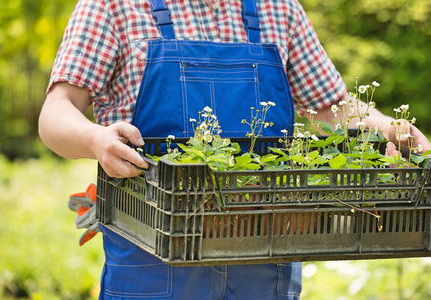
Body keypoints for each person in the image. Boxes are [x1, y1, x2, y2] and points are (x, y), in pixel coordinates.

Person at [38, 0, 431, 299]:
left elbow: (331, 106)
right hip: (151, 260)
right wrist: (95, 138)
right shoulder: (113, 6)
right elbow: (56, 112)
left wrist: (388, 127)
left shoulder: (278, 8)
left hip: (265, 253)